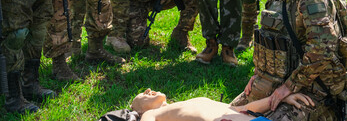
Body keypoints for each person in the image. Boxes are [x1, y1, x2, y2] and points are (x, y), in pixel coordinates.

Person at [231, 0, 347, 120]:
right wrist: (261, 77)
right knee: (228, 114)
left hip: (313, 88)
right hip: (280, 80)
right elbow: (271, 42)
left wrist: (288, 88)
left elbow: (322, 52)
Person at [98, 88, 315, 121]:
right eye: (143, 95)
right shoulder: (154, 114)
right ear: (138, 109)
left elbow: (239, 109)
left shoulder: (190, 101)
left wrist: (277, 99)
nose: (148, 90)